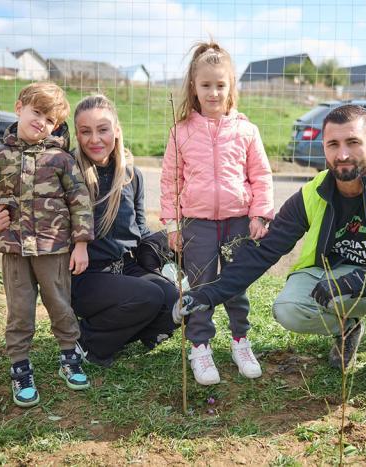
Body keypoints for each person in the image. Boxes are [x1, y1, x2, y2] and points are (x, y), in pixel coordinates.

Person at [173, 104, 366, 394]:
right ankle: (347, 329)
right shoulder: (313, 192)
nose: (342, 154)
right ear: (324, 148)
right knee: (289, 309)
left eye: (353, 142)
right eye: (333, 144)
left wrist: (350, 282)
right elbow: (264, 250)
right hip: (337, 278)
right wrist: (207, 294)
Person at [0, 94, 180, 369]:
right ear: (76, 134)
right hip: (82, 275)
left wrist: (168, 241)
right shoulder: (66, 170)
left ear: (117, 130)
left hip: (125, 267)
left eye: (103, 129)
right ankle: (89, 343)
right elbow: (31, 215)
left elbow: (139, 227)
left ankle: (116, 330)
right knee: (148, 297)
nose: (95, 139)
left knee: (174, 300)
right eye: (85, 131)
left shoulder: (132, 175)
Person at [0, 82, 94, 408]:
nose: (41, 123)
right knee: (19, 311)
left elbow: (80, 203)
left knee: (60, 304)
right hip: (15, 250)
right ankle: (20, 365)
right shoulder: (0, 154)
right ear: (20, 107)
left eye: (49, 119)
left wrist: (81, 244)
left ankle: (69, 355)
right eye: (36, 112)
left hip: (54, 249)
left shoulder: (60, 159)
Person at [160, 41, 274, 385]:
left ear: (231, 87)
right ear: (194, 88)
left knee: (236, 286)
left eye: (220, 85)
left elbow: (261, 176)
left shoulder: (246, 131)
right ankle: (200, 347)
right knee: (201, 285)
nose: (213, 93)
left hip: (238, 222)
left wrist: (260, 214)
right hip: (197, 225)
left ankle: (241, 341)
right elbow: (169, 181)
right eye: (206, 85)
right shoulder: (180, 132)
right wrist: (171, 224)